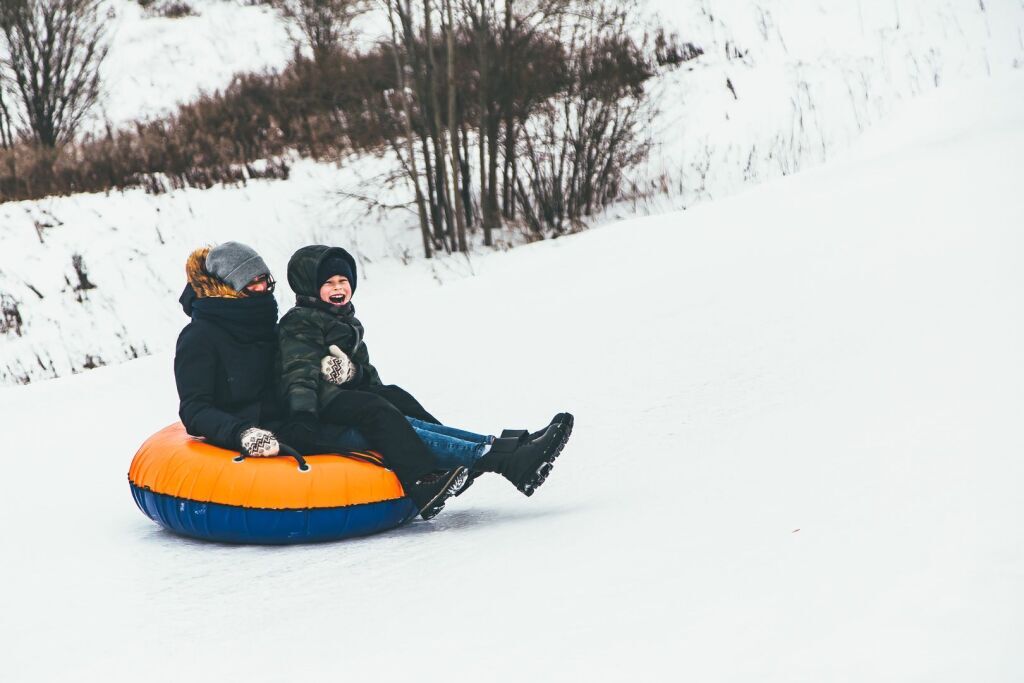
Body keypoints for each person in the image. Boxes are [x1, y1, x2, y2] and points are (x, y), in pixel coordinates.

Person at [173, 242, 468, 520]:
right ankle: (468, 463)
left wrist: (345, 371)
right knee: (376, 427)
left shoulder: (264, 323)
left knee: (391, 401)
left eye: (265, 279)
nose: (263, 288)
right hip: (260, 431)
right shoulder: (199, 338)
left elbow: (296, 367)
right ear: (230, 287)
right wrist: (242, 433)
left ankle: (466, 460)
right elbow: (194, 409)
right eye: (253, 283)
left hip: (292, 414)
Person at [277, 244, 574, 503]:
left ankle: (505, 448)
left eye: (343, 280)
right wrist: (303, 415)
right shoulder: (301, 322)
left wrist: (353, 374)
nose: (339, 287)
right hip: (318, 405)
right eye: (329, 283)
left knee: (395, 397)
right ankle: (453, 471)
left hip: (343, 396)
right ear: (309, 288)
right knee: (379, 411)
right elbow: (299, 371)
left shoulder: (344, 320)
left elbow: (366, 374)